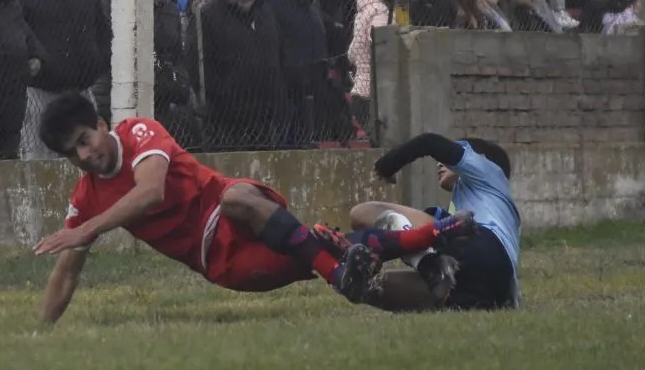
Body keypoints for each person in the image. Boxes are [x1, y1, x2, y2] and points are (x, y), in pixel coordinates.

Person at [32, 94, 473, 323]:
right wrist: (40, 332)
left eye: (85, 140)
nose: (85, 155)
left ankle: (380, 259)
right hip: (221, 259)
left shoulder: (138, 133)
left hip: (233, 206)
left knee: (235, 197)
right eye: (73, 153)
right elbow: (66, 273)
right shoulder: (85, 198)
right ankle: (435, 254)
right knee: (334, 253)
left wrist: (88, 229)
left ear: (101, 125)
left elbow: (150, 192)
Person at [351, 134, 521, 312]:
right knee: (369, 287)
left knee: (364, 213)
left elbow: (429, 142)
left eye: (458, 150)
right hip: (490, 288)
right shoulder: (490, 211)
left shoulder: (490, 172)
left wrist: (387, 166)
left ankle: (427, 264)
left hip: (480, 247)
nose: (440, 163)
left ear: (481, 159)